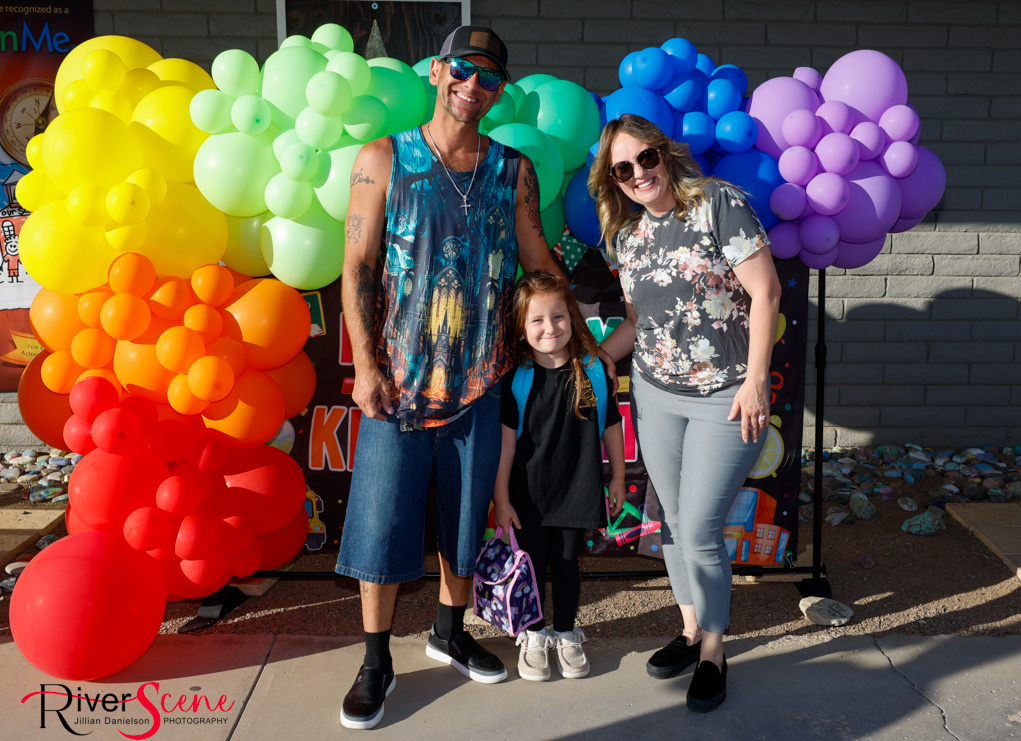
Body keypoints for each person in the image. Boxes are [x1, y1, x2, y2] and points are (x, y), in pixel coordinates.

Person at [335, 26, 565, 730]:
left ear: (499, 90)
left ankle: (448, 628)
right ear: (437, 71)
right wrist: (367, 365)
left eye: (488, 77)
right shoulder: (383, 157)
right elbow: (357, 268)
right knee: (379, 524)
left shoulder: (511, 169)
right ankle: (375, 660)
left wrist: (582, 320)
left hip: (478, 377)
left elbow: (536, 258)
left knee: (465, 522)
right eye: (462, 69)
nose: (472, 85)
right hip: (397, 383)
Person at [590, 114, 781, 713]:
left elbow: (766, 292)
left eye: (647, 158)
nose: (640, 174)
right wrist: (591, 359)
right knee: (671, 520)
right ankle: (690, 626)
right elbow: (638, 324)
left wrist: (755, 382)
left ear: (665, 153)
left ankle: (714, 652)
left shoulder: (717, 204)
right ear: (613, 181)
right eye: (624, 168)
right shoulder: (627, 237)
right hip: (655, 394)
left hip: (725, 398)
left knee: (698, 527)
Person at [492, 271, 626, 682]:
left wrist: (617, 478)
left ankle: (566, 633)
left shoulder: (594, 372)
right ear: (521, 327)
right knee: (531, 566)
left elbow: (611, 426)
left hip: (577, 489)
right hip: (528, 494)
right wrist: (501, 499)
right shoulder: (517, 378)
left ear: (572, 317)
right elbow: (507, 445)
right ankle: (533, 635)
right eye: (537, 320)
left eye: (559, 317)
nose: (550, 327)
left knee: (568, 564)